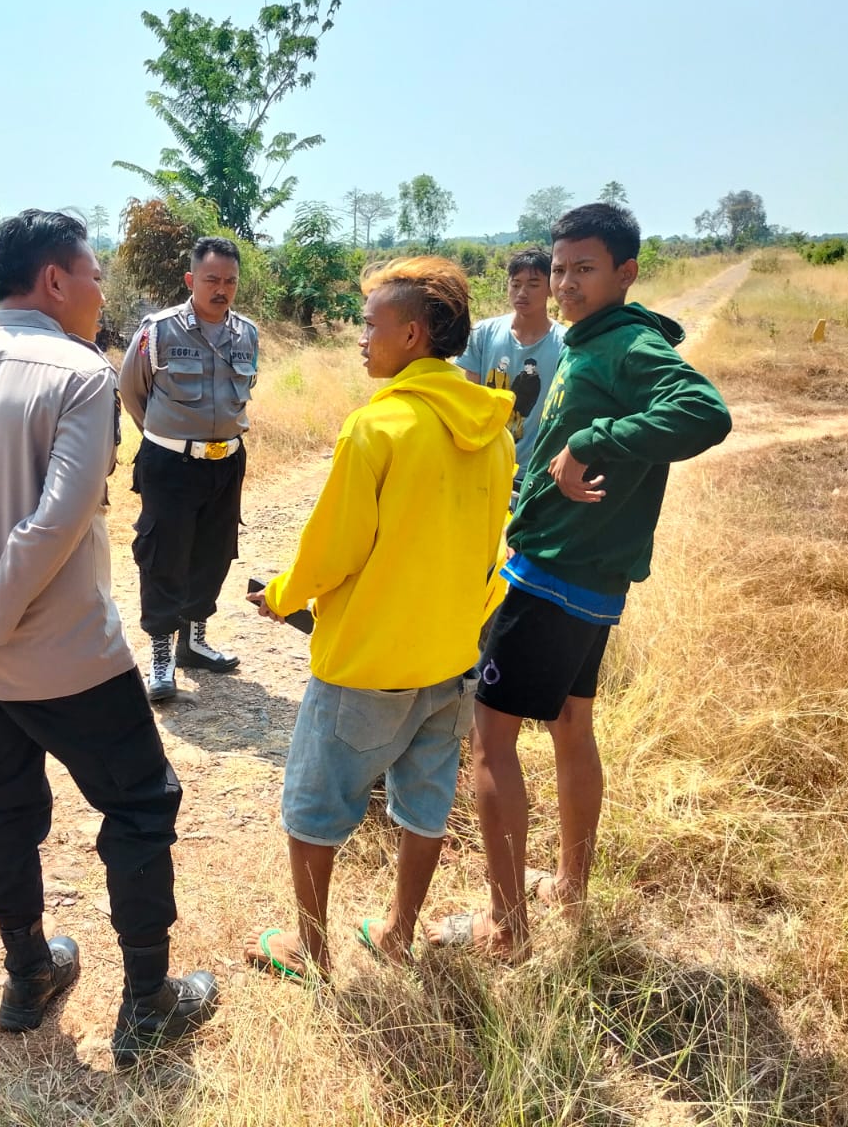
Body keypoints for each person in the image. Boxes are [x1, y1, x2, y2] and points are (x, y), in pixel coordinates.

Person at [0, 210, 218, 1067]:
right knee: (140, 808)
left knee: (6, 805)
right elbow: (59, 519)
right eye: (95, 274)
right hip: (66, 654)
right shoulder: (81, 373)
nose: (101, 291)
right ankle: (148, 1004)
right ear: (55, 281)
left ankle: (28, 974)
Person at [429, 203, 731, 959]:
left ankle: (505, 931)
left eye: (582, 269)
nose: (564, 284)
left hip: (554, 578)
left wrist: (593, 439)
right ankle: (567, 885)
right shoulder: (590, 343)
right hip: (585, 580)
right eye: (558, 269)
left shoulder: (626, 345)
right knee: (570, 725)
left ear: (626, 272)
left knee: (491, 741)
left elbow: (705, 411)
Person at [244, 256, 514, 981]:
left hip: (368, 665)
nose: (361, 338)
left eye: (371, 325)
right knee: (424, 805)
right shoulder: (494, 431)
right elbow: (493, 547)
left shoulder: (379, 428)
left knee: (313, 808)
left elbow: (332, 549)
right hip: (453, 661)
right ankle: (396, 933)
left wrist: (281, 597)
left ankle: (310, 947)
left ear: (414, 334)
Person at [118, 237, 258, 702]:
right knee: (163, 555)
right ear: (190, 280)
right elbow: (132, 392)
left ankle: (194, 643)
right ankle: (161, 654)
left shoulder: (247, 334)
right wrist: (168, 437)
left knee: (214, 552)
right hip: (171, 463)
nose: (222, 289)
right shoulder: (158, 331)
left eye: (230, 281)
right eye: (212, 279)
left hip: (226, 463)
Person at [458, 248, 566, 502]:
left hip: (535, 471)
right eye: (515, 284)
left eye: (533, 284)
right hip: (484, 464)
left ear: (550, 287)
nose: (522, 293)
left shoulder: (564, 344)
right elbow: (469, 400)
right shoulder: (483, 334)